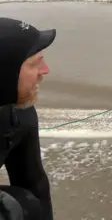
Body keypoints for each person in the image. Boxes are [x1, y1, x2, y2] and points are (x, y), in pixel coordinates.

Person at [0, 17, 56, 220]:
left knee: (27, 203)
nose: (45, 71)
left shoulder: (19, 113)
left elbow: (33, 181)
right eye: (35, 64)